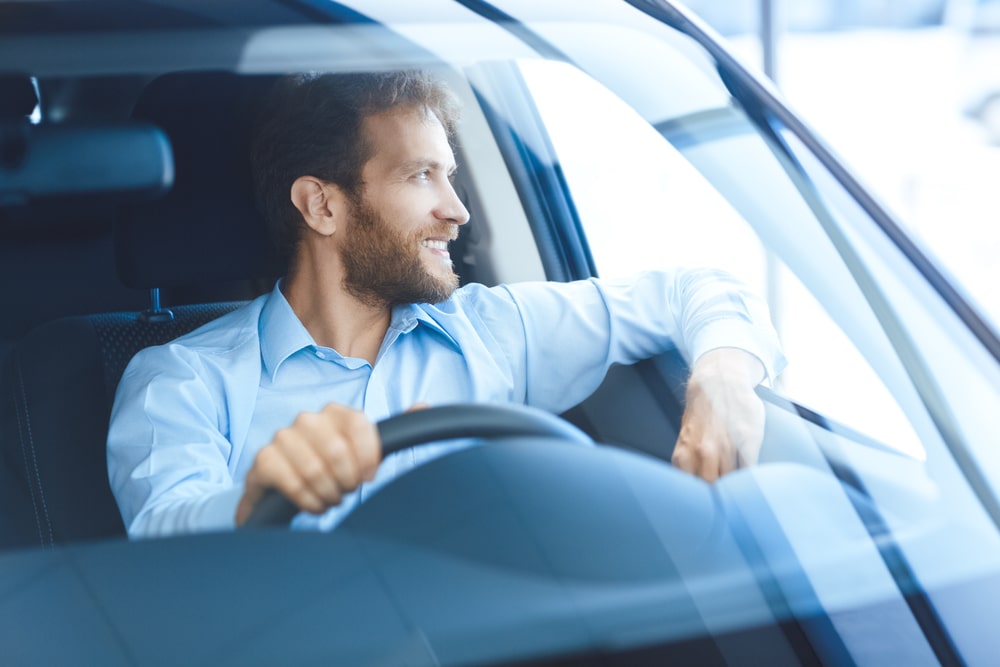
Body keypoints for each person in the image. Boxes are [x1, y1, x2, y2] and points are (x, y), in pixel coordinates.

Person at [107, 70, 786, 538]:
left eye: (451, 175)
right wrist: (259, 499)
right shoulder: (183, 379)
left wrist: (724, 376)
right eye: (420, 175)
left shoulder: (492, 330)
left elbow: (693, 289)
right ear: (322, 204)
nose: (457, 210)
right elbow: (169, 531)